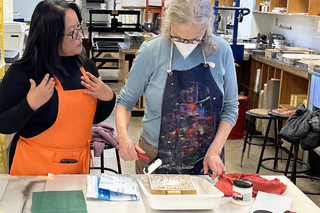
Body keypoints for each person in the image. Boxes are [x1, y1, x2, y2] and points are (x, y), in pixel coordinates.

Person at [116, 0, 239, 179]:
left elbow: (230, 108)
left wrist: (215, 149)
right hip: (155, 154)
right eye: (179, 38)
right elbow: (125, 102)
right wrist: (123, 137)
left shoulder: (221, 51)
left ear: (208, 28)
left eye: (196, 40)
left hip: (207, 157)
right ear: (168, 24)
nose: (186, 45)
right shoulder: (151, 51)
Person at [0, 0, 116, 175]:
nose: (80, 36)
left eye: (79, 27)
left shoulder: (86, 68)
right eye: (72, 32)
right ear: (50, 37)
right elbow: (3, 124)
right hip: (34, 169)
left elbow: (92, 118)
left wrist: (107, 97)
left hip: (76, 166)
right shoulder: (24, 72)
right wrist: (30, 104)